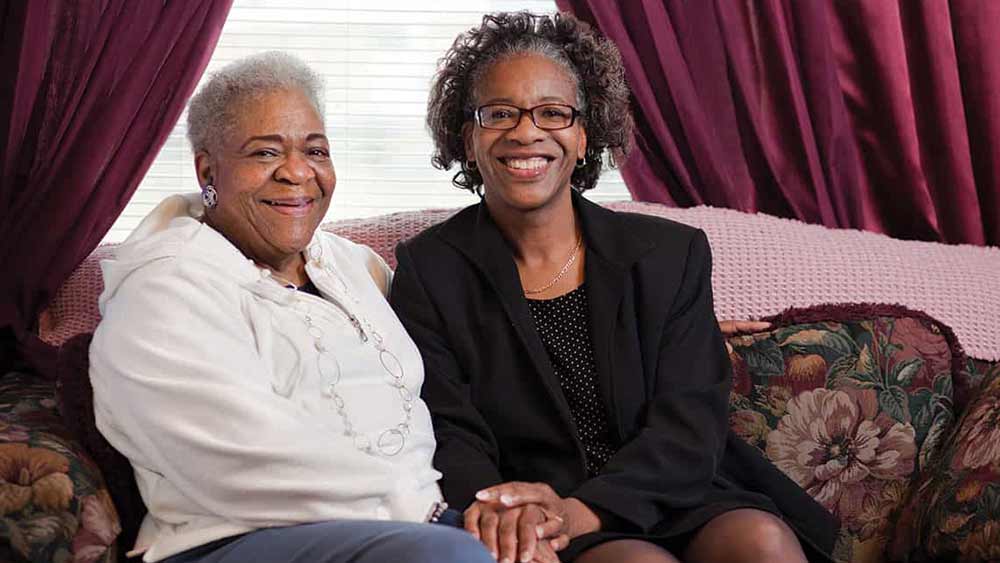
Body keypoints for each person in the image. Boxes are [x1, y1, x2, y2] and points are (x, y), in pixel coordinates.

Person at [390, 12, 839, 563]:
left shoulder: (670, 254)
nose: (526, 131)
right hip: (541, 507)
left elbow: (689, 422)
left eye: (552, 113)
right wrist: (505, 510)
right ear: (469, 138)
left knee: (761, 541)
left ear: (584, 138)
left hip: (673, 492)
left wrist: (580, 510)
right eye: (499, 113)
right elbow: (448, 425)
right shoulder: (430, 268)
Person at [88, 52, 496, 563]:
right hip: (237, 539)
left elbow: (445, 389)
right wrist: (436, 518)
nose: (298, 172)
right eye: (264, 153)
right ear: (207, 170)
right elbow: (245, 468)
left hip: (414, 528)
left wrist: (500, 504)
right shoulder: (161, 291)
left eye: (316, 150)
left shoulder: (353, 268)